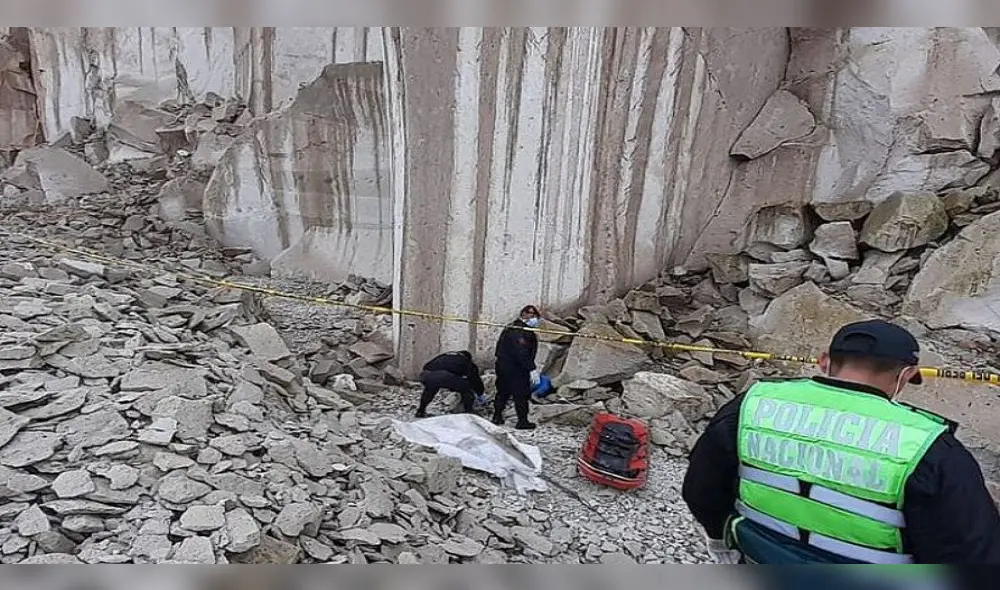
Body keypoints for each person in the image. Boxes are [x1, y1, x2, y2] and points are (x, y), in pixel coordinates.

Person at [682, 319, 1000, 569]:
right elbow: (971, 555)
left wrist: (723, 542)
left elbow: (701, 489)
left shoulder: (753, 405)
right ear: (905, 376)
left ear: (824, 361)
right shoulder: (927, 447)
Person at [493, 305, 540, 430]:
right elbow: (521, 352)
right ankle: (522, 421)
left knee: (503, 392)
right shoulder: (520, 331)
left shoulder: (512, 327)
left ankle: (497, 416)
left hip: (503, 365)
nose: (534, 318)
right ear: (523, 314)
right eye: (531, 314)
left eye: (535, 316)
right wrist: (532, 368)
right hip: (515, 368)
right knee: (520, 394)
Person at [416, 350, 485, 418]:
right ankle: (469, 413)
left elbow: (427, 366)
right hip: (444, 375)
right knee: (466, 388)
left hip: (425, 374)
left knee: (430, 389)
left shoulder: (444, 356)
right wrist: (480, 393)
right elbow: (475, 379)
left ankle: (420, 411)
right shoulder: (466, 361)